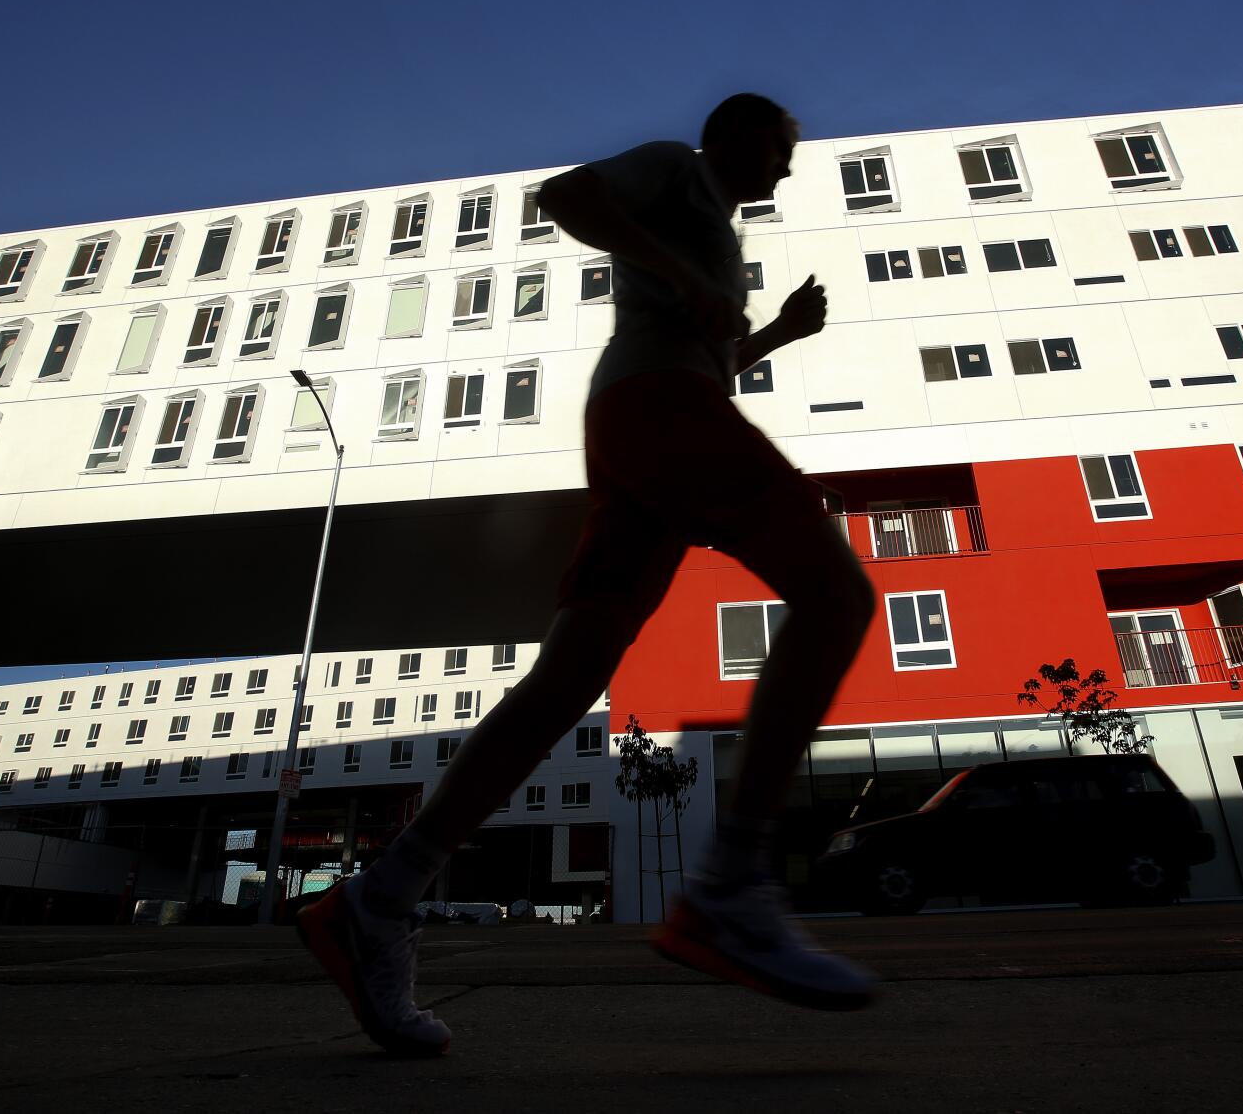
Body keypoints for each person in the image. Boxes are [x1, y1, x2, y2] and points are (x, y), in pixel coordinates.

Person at [296, 93, 878, 1057]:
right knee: (837, 592)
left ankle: (380, 896)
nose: (783, 169)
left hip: (640, 424)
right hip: (656, 411)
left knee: (564, 683)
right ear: (730, 132)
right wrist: (682, 267)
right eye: (778, 148)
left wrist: (772, 334)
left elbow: (707, 345)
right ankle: (732, 888)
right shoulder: (673, 169)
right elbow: (565, 194)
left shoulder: (717, 232)